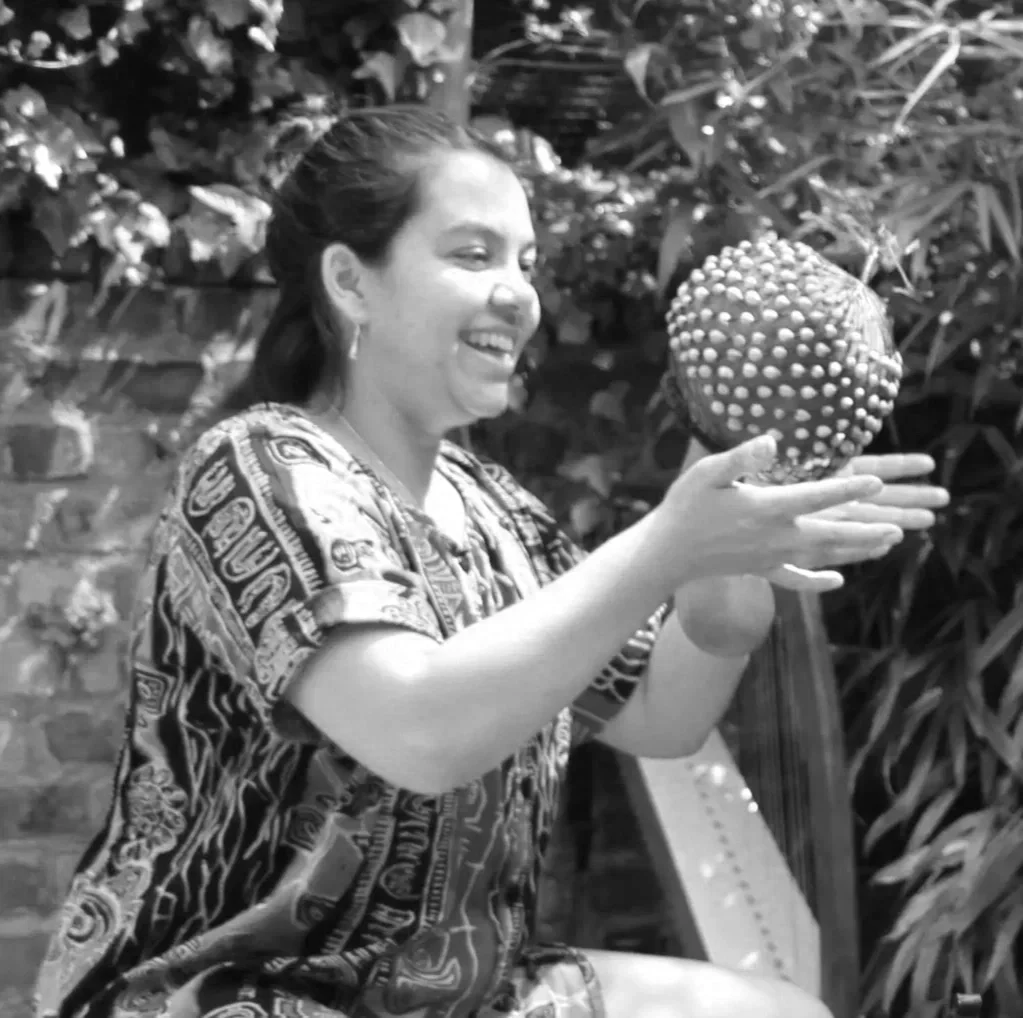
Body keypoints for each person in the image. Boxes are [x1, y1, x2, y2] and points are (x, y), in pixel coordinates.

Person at [35, 106, 949, 1018]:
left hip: (456, 995)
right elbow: (420, 733)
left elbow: (663, 713)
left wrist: (739, 516)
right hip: (231, 997)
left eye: (525, 263)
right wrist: (668, 543)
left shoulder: (493, 510)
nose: (517, 293)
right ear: (351, 281)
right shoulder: (256, 468)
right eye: (473, 256)